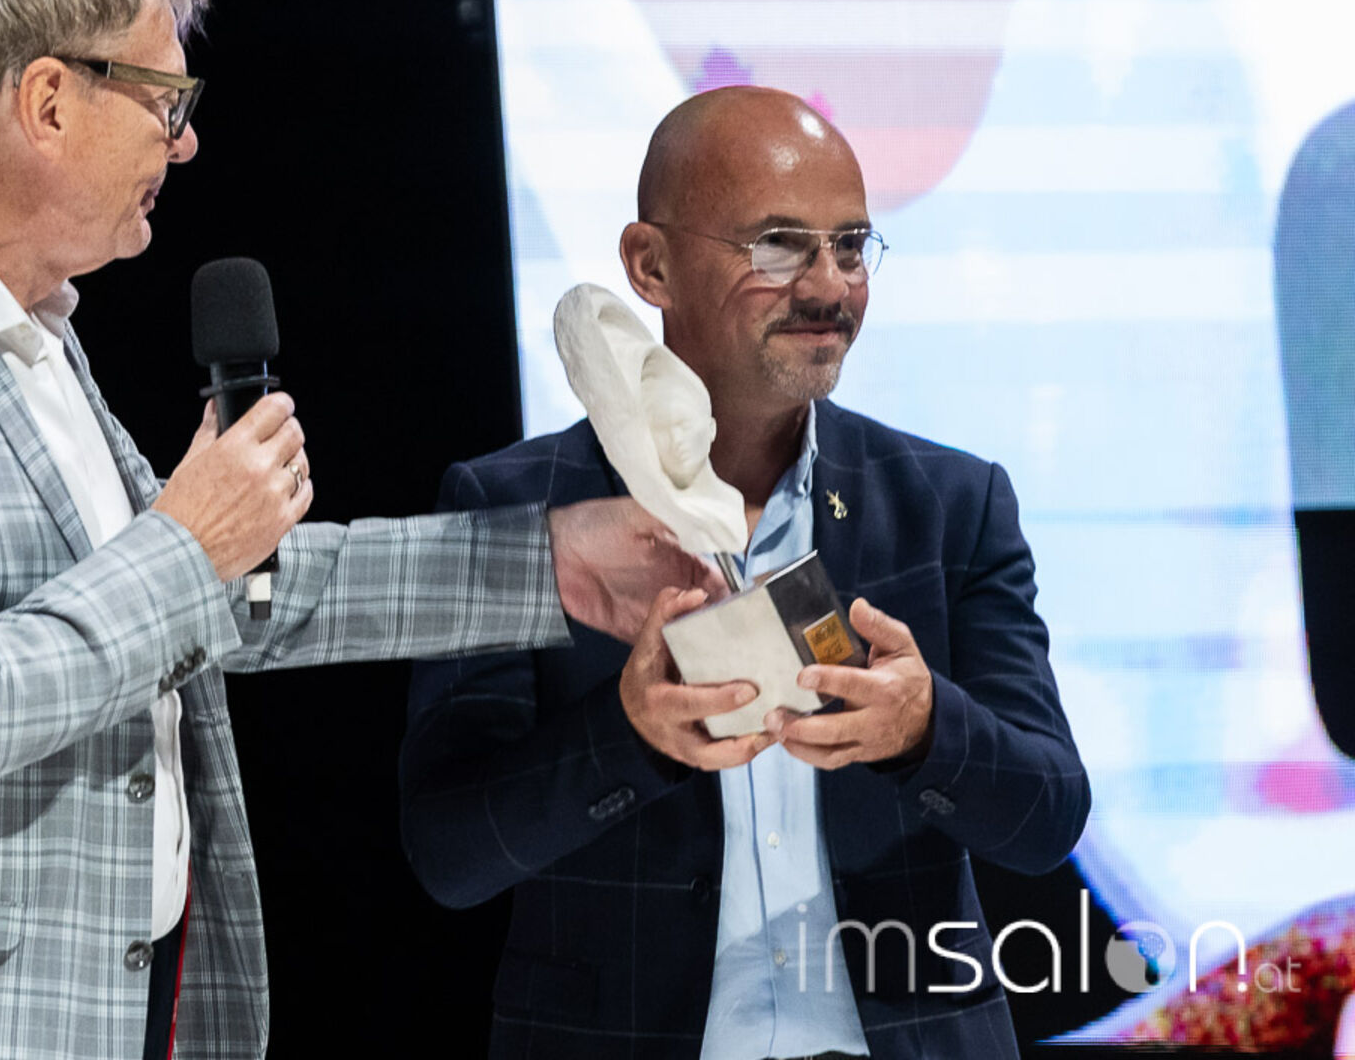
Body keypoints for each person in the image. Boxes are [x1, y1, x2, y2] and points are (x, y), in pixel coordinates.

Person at [0, 0, 715, 1060]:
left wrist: (550, 563)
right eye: (165, 101)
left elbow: (221, 595)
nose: (184, 142)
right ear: (47, 101)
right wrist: (184, 543)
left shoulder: (25, 325)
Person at [400, 86, 1090, 1059]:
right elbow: (451, 853)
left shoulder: (949, 503)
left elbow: (1049, 814)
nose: (829, 287)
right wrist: (627, 735)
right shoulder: (517, 508)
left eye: (851, 246)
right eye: (778, 247)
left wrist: (926, 727)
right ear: (651, 264)